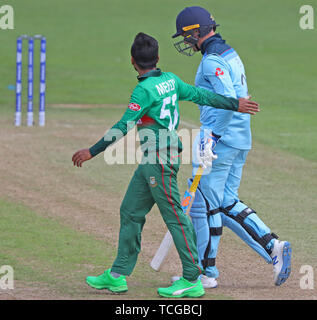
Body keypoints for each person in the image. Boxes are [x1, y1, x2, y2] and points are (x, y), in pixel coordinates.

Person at [71, 32, 259, 298]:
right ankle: (117, 275)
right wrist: (233, 103)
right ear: (157, 58)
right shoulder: (170, 80)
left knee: (175, 218)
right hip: (154, 161)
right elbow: (200, 95)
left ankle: (192, 278)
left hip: (159, 162)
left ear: (133, 61)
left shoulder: (143, 90)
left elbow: (124, 125)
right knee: (130, 211)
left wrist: (92, 151)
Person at [171, 6, 292, 288]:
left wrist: (211, 138)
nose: (185, 42)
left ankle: (204, 273)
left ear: (196, 32)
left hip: (221, 140)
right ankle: (273, 246)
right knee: (224, 204)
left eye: (186, 36)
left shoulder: (211, 61)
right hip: (239, 139)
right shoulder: (230, 53)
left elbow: (228, 101)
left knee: (203, 207)